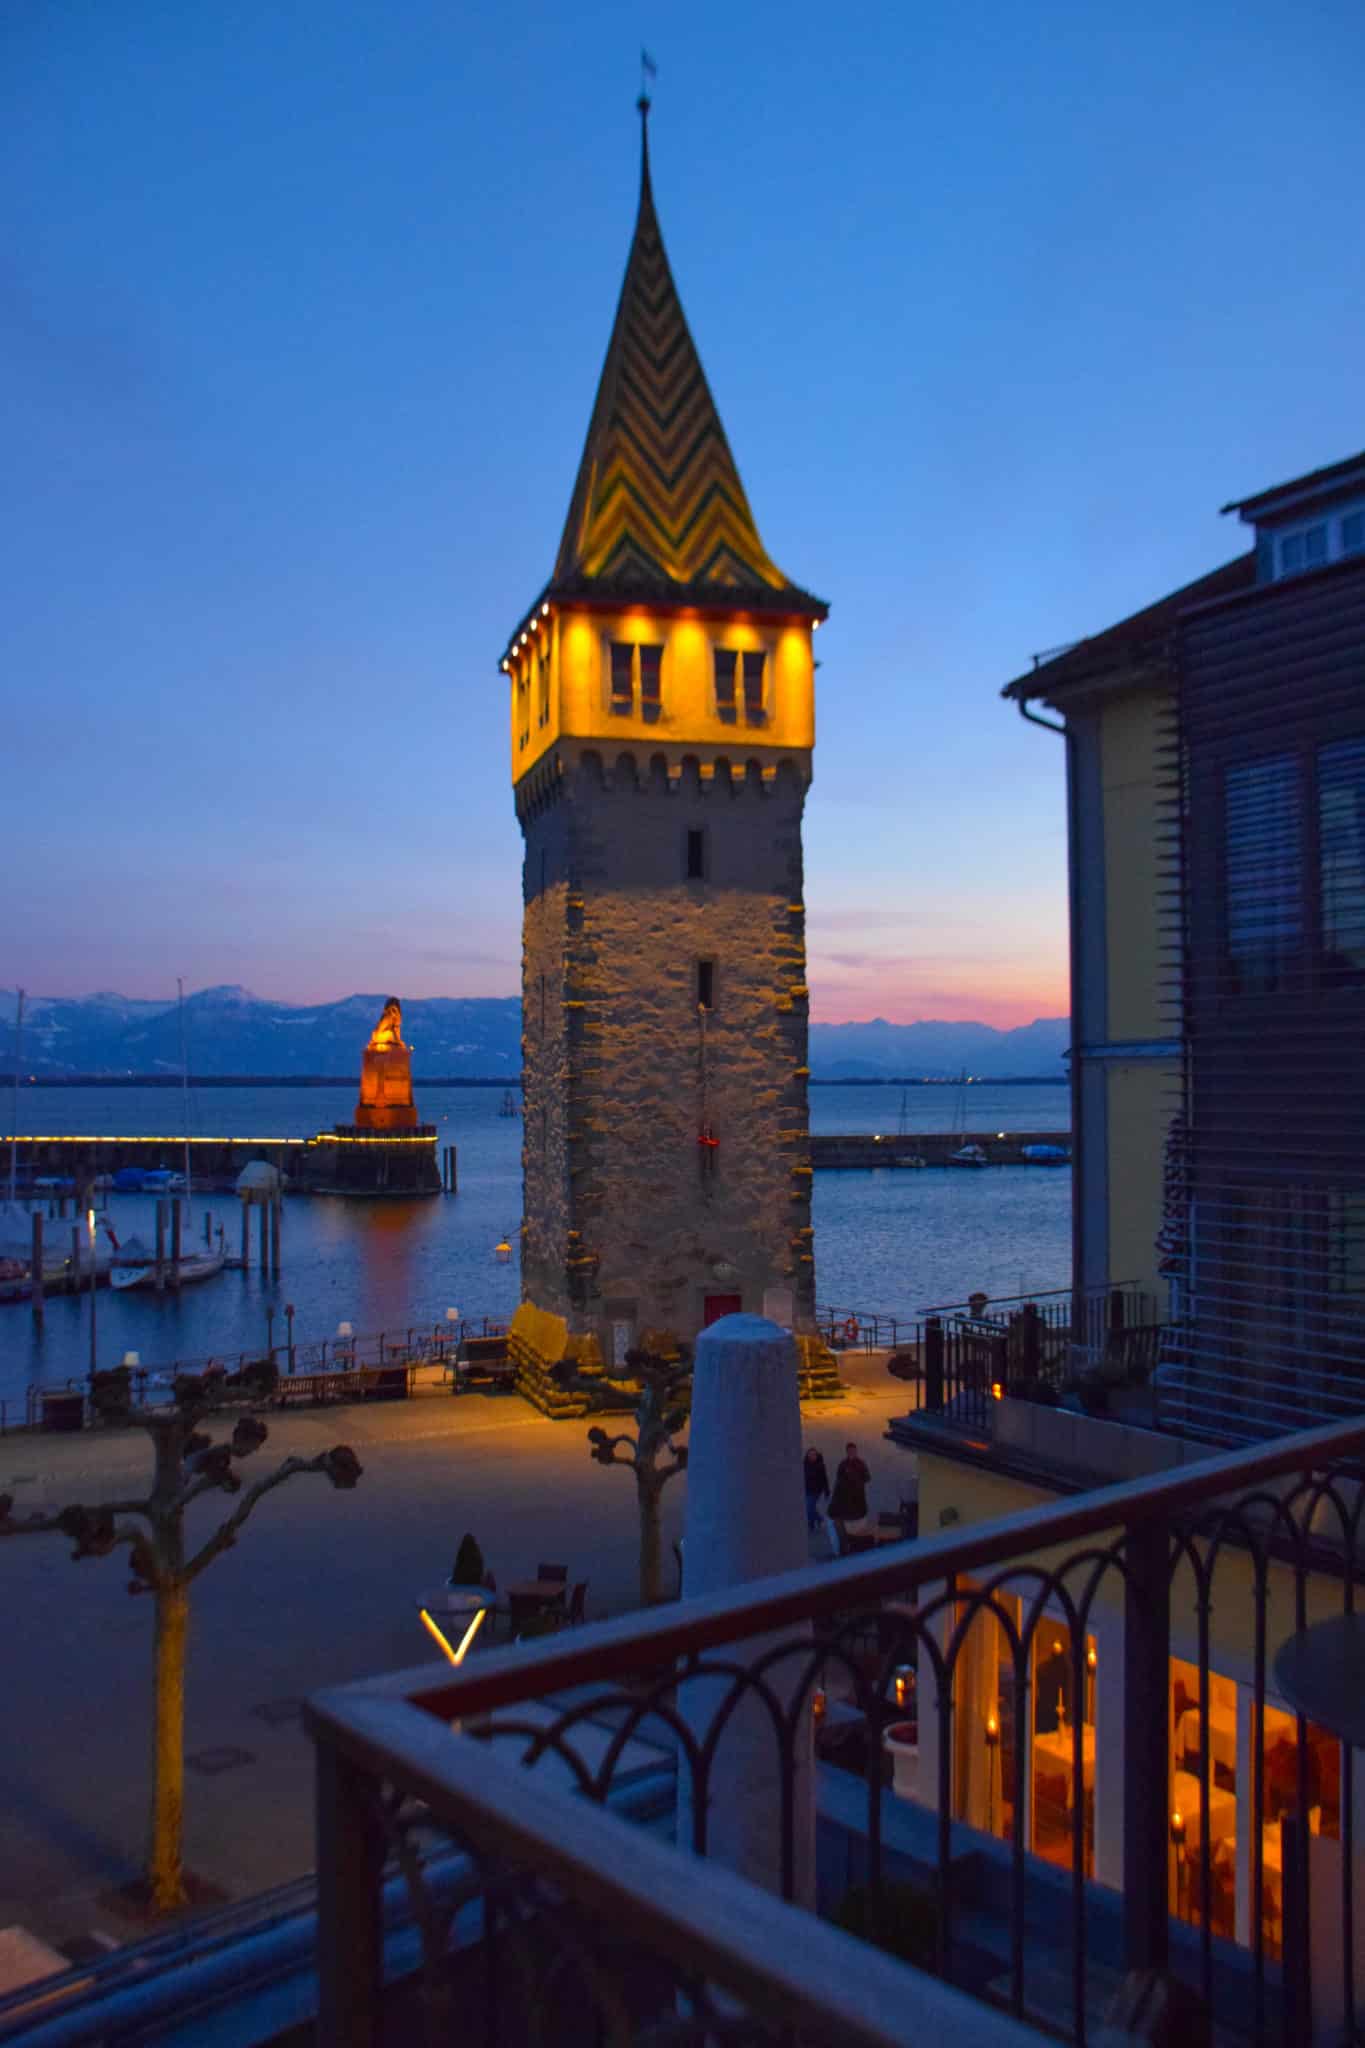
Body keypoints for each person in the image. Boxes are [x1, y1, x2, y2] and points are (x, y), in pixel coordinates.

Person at [829, 1441, 872, 1552]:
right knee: (845, 1527)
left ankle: (854, 1548)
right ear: (847, 1451)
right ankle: (845, 1548)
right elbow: (838, 1481)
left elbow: (867, 1478)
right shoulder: (842, 1465)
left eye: (853, 1450)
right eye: (850, 1451)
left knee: (857, 1527)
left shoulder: (861, 1463)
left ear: (856, 1451)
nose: (852, 1452)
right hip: (845, 1501)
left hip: (858, 1500)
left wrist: (855, 1479)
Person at [803, 1447, 830, 1531]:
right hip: (806, 1489)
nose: (812, 1456)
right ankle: (819, 1519)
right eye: (810, 1454)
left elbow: (824, 1478)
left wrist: (826, 1490)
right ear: (807, 1455)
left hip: (816, 1490)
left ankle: (810, 1525)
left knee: (809, 1507)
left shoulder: (820, 1465)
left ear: (816, 1456)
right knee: (810, 1507)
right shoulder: (804, 1464)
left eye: (814, 1455)